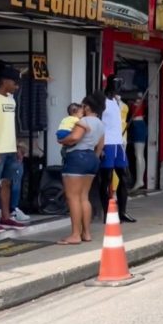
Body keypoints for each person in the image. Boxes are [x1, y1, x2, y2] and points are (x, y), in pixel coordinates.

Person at [57, 94, 105, 245]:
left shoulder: (82, 121)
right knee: (84, 197)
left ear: (88, 107)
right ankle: (86, 233)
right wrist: (94, 157)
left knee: (73, 197)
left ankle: (75, 235)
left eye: (83, 106)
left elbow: (74, 138)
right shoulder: (100, 123)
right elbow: (100, 145)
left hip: (77, 158)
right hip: (91, 158)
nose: (81, 109)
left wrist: (62, 140)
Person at [0, 62, 26, 232]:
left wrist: (18, 146)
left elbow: (13, 126)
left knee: (6, 183)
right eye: (15, 83)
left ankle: (6, 217)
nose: (17, 86)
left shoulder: (11, 101)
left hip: (10, 149)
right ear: (5, 81)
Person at [99, 78, 135, 223]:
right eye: (118, 85)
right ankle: (106, 213)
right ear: (111, 85)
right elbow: (98, 124)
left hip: (118, 144)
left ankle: (122, 211)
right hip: (107, 144)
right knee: (106, 179)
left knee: (125, 178)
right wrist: (99, 145)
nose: (120, 88)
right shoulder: (102, 102)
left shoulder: (115, 101)